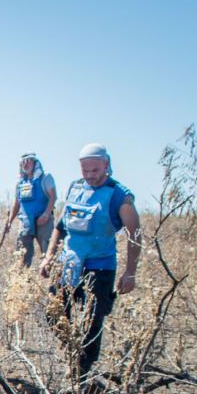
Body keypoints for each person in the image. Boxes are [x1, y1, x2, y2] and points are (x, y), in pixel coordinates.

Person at [39, 143, 140, 378]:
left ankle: (80, 373)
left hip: (100, 268)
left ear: (107, 165)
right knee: (54, 313)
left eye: (95, 170)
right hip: (69, 264)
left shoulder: (119, 196)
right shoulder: (75, 189)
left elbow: (135, 235)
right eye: (86, 171)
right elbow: (60, 227)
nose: (90, 176)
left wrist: (130, 272)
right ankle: (72, 352)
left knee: (92, 323)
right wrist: (48, 257)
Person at [3, 153, 56, 267]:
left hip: (43, 220)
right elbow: (16, 204)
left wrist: (46, 214)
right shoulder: (20, 183)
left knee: (48, 251)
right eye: (23, 162)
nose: (26, 164)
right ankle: (22, 279)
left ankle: (52, 278)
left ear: (35, 163)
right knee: (22, 252)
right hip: (26, 222)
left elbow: (53, 196)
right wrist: (9, 221)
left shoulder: (45, 177)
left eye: (29, 161)